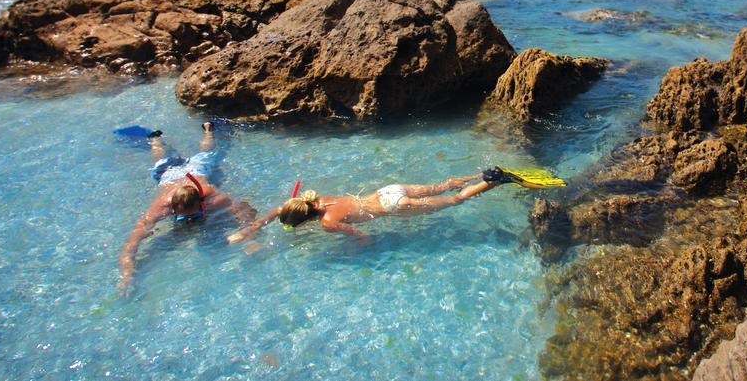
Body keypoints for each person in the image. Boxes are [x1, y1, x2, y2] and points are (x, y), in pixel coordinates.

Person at [117, 122, 254, 295]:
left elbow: (244, 212)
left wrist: (251, 241)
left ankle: (208, 131)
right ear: (172, 208)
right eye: (180, 214)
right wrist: (127, 275)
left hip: (196, 170)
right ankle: (155, 140)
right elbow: (133, 242)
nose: (189, 219)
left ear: (201, 202)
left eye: (193, 213)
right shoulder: (162, 206)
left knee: (207, 154)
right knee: (161, 161)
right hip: (169, 176)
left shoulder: (211, 195)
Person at [227, 167, 528, 244]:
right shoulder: (318, 199)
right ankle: (482, 173)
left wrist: (357, 248)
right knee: (443, 185)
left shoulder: (328, 223)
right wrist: (253, 226)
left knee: (455, 199)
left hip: (395, 205)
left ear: (304, 220)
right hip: (388, 190)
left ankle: (495, 181)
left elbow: (363, 236)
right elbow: (280, 211)